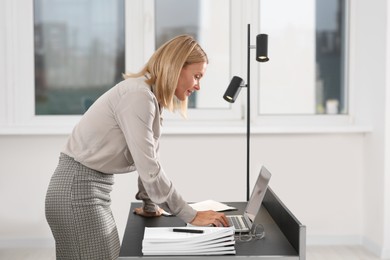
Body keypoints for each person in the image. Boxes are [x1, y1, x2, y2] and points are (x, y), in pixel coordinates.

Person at [45, 35, 229, 260]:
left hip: (88, 191)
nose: (198, 86)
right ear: (177, 67)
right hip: (78, 192)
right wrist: (190, 215)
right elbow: (150, 167)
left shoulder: (150, 97)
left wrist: (150, 205)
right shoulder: (138, 96)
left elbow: (148, 159)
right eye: (197, 76)